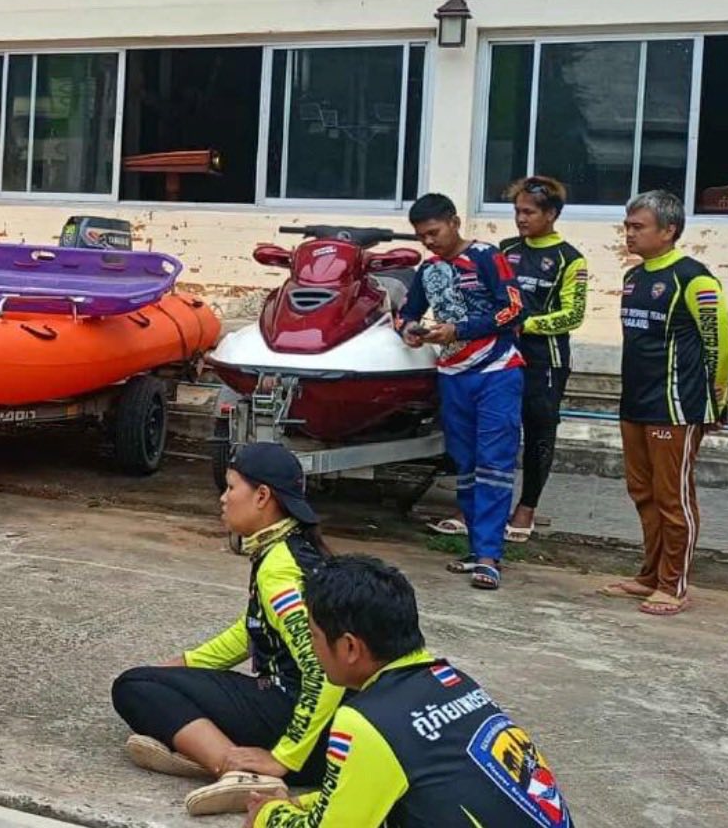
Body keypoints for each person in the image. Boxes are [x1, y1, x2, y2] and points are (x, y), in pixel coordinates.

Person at [247, 555, 574, 827]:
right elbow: (367, 790)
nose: (311, 648)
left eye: (314, 636)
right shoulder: (454, 681)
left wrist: (267, 814)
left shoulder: (366, 720)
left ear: (350, 647)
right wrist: (299, 802)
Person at [112, 443, 341, 817]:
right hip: (324, 731)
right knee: (156, 682)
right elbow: (252, 630)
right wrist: (184, 664)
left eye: (231, 487)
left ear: (262, 496)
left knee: (133, 688)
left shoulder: (279, 570)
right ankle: (200, 758)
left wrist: (283, 758)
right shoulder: (296, 548)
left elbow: (321, 670)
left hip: (299, 727)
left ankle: (236, 771)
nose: (223, 498)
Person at [606, 190, 728, 617]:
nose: (629, 234)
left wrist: (717, 400)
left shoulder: (694, 278)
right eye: (627, 226)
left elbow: (719, 342)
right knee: (642, 493)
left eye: (638, 227)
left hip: (676, 406)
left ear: (669, 230)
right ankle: (650, 575)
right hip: (634, 402)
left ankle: (673, 585)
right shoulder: (633, 277)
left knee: (672, 499)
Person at [398, 193, 525, 591]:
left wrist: (460, 330)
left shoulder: (487, 256)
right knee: (465, 463)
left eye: (434, 232)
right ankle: (476, 546)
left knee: (494, 463)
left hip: (497, 370)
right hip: (452, 374)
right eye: (421, 236)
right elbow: (407, 312)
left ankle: (489, 556)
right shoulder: (428, 269)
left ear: (454, 222)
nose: (429, 241)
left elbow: (514, 309)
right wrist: (409, 331)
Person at [497, 177, 587, 543]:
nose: (521, 218)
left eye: (529, 212)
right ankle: (482, 504)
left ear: (551, 214)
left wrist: (527, 324)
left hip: (545, 361)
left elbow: (574, 315)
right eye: (517, 211)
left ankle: (527, 507)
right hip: (502, 355)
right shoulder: (505, 249)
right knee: (495, 429)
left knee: (538, 433)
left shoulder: (570, 259)